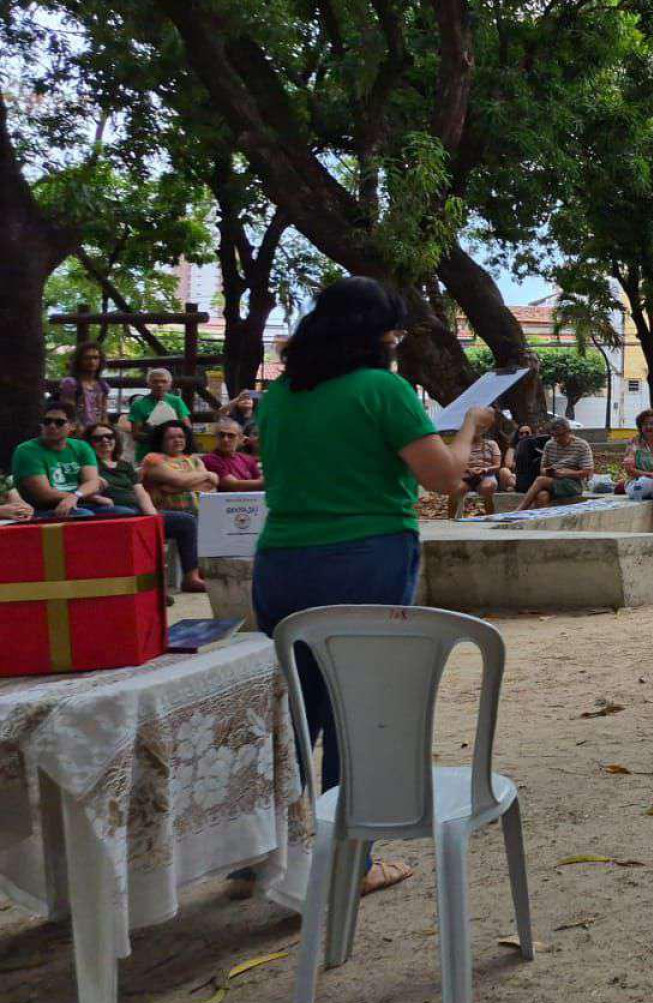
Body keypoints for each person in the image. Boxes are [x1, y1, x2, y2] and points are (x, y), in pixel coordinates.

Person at [244, 275, 496, 898]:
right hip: (366, 557)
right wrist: (470, 426)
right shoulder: (382, 389)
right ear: (381, 335)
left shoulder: (278, 397)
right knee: (360, 711)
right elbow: (444, 480)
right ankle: (351, 864)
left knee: (293, 714)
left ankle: (259, 851)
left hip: (280, 563)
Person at [88, 422, 206, 592]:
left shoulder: (124, 466)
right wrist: (96, 497)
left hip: (140, 512)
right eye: (98, 438)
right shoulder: (90, 466)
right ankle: (153, 586)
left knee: (185, 522)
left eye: (110, 436)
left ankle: (191, 578)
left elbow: (141, 493)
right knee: (127, 515)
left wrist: (153, 517)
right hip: (114, 514)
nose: (105, 441)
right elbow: (84, 487)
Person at [11, 402, 136, 519]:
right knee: (84, 515)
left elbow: (92, 482)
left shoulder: (81, 447)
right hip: (43, 509)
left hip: (79, 502)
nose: (52, 426)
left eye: (59, 422)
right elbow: (44, 494)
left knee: (125, 513)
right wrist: (91, 498)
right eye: (47, 421)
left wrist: (76, 496)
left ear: (72, 426)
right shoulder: (27, 450)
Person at [139, 419, 220, 513]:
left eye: (181, 437)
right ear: (161, 440)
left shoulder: (194, 460)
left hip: (199, 512)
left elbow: (211, 484)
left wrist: (173, 488)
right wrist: (207, 475)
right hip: (167, 514)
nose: (177, 440)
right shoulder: (152, 459)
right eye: (171, 437)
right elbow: (180, 480)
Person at [520, 417, 594, 510]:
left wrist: (568, 473)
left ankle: (519, 511)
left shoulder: (581, 445)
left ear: (569, 432)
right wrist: (549, 472)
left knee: (540, 480)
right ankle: (544, 522)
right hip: (553, 480)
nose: (557, 439)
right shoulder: (550, 444)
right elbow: (542, 469)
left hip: (573, 483)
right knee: (542, 496)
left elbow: (588, 472)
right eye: (554, 436)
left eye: (560, 435)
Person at [448, 431, 513, 519]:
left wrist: (484, 469)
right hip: (466, 475)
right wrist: (468, 469)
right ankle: (450, 519)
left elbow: (497, 465)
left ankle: (490, 517)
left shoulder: (491, 444)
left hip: (486, 475)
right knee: (454, 488)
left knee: (488, 487)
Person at [56, 342, 111, 429]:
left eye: (95, 358)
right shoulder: (70, 383)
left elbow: (104, 414)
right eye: (87, 358)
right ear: (79, 360)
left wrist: (104, 430)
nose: (92, 362)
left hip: (97, 432)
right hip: (77, 432)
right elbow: (69, 412)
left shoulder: (103, 385)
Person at [202, 418, 265, 490]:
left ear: (240, 438)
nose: (225, 439)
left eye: (231, 436)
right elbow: (233, 485)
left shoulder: (247, 459)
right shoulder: (210, 459)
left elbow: (259, 480)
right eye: (221, 435)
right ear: (216, 437)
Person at [127, 367, 189, 435]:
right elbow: (136, 434)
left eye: (164, 381)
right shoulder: (138, 405)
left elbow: (187, 428)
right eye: (155, 381)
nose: (159, 385)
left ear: (170, 384)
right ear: (148, 384)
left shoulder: (177, 401)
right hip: (148, 444)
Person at [511, 423, 548, 490]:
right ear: (518, 435)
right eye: (521, 433)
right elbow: (509, 464)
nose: (524, 435)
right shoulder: (514, 447)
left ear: (532, 434)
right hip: (515, 474)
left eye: (527, 433)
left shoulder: (535, 443)